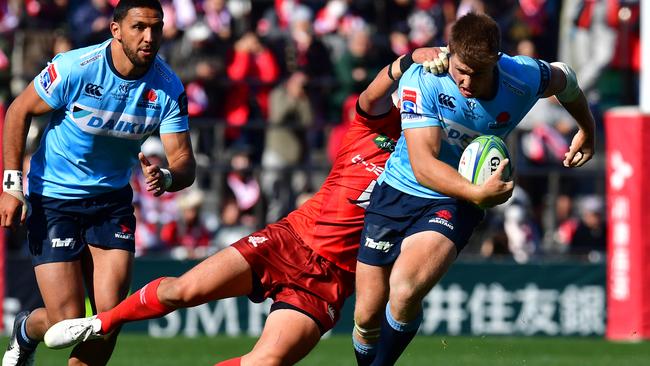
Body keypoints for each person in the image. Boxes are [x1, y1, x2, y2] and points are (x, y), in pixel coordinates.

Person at [42, 48, 448, 366]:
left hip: (331, 279)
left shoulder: (435, 166)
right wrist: (408, 61)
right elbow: (372, 93)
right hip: (288, 240)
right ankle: (100, 322)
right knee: (184, 290)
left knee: (265, 362)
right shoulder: (373, 125)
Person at [352, 12, 596, 366]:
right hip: (398, 191)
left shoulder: (522, 76)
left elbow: (566, 79)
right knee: (365, 315)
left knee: (404, 292)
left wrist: (587, 129)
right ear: (449, 51)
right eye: (460, 69)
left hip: (453, 201)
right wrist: (478, 193)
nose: (465, 81)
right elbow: (424, 165)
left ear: (496, 61)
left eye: (476, 73)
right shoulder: (425, 78)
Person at [1, 1, 196, 365]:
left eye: (156, 28)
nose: (149, 37)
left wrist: (167, 175)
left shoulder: (168, 87)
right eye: (139, 27)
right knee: (66, 321)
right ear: (116, 30)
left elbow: (185, 162)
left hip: (111, 201)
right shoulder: (76, 67)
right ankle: (26, 330)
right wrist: (11, 185)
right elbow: (18, 110)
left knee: (111, 318)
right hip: (54, 197)